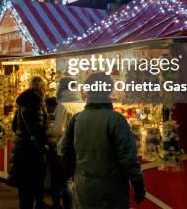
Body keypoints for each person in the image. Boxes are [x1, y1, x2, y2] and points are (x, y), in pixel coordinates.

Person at [59, 73, 145, 209]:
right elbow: (128, 158)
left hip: (84, 189)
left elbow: (63, 149)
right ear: (108, 91)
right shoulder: (116, 120)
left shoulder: (76, 119)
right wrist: (138, 184)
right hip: (112, 191)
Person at [9, 75, 50, 209]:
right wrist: (43, 142)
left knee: (24, 184)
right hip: (32, 150)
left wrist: (22, 136)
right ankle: (37, 203)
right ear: (41, 87)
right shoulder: (37, 101)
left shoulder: (22, 103)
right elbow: (39, 127)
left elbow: (14, 126)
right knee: (35, 179)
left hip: (20, 148)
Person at [52, 77, 85, 209]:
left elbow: (57, 130)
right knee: (78, 181)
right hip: (82, 147)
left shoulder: (63, 104)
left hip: (65, 148)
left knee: (66, 182)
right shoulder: (83, 103)